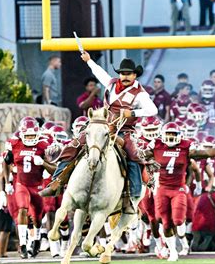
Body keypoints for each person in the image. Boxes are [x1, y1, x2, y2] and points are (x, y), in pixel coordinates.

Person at [40, 51, 158, 215]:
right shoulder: (111, 83)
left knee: (133, 156)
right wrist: (88, 61)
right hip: (102, 125)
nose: (125, 77)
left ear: (135, 75)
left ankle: (133, 197)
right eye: (122, 73)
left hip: (124, 131)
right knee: (74, 144)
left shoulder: (140, 93)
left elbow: (153, 110)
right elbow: (99, 72)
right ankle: (56, 181)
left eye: (128, 74)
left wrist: (132, 114)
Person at [144, 122, 215, 261]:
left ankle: (182, 236)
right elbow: (140, 156)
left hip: (178, 188)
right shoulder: (156, 144)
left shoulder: (186, 146)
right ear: (163, 135)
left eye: (173, 134)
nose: (170, 137)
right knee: (164, 222)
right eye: (168, 134)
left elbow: (205, 153)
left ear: (179, 135)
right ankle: (173, 251)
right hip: (162, 188)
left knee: (177, 219)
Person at [1, 119, 52, 259]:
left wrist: (44, 163)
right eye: (27, 136)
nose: (30, 138)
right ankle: (23, 244)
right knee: (22, 209)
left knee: (37, 218)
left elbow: (54, 169)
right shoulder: (15, 144)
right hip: (21, 184)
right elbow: (5, 163)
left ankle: (36, 239)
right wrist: (7, 183)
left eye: (32, 136)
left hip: (38, 185)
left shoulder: (44, 145)